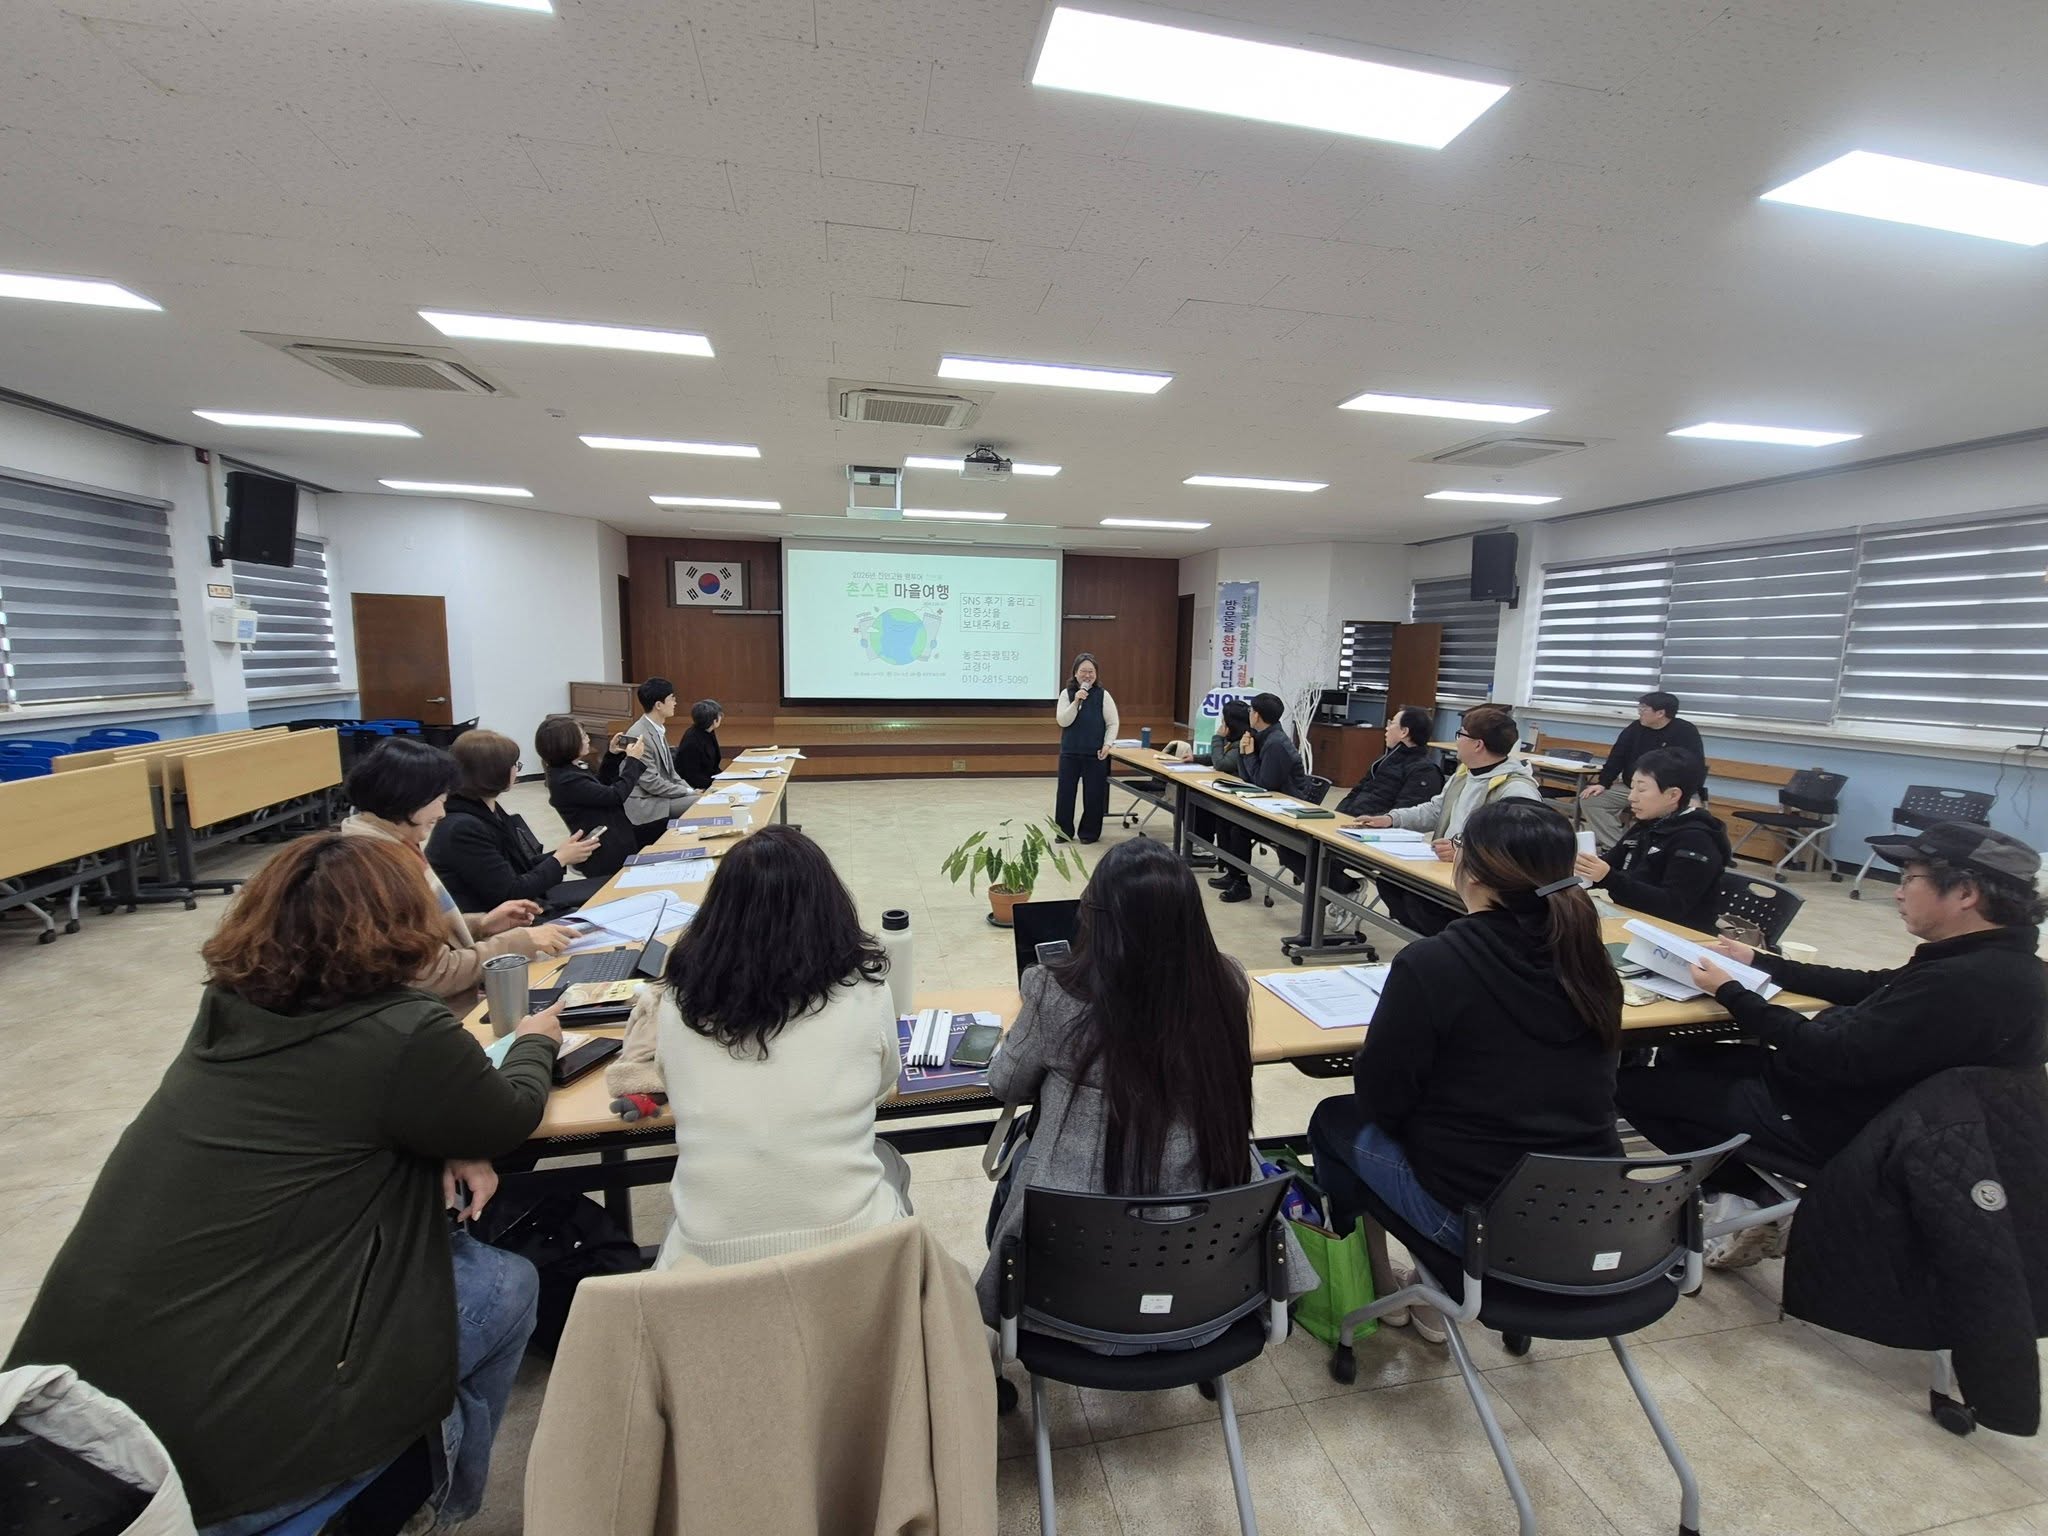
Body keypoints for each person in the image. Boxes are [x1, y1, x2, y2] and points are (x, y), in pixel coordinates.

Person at [3, 833, 564, 1533]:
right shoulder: (402, 1029)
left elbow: (337, 1114)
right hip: (212, 1471)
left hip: (59, 1436)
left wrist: (447, 1139)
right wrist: (537, 1039)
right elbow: (504, 1117)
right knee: (503, 1286)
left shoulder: (225, 1014)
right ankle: (429, 1504)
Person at [1618, 822, 2048, 1267]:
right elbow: (1871, 985)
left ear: (1965, 893)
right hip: (1849, 1098)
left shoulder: (1965, 982)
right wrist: (1760, 963)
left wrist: (1731, 992)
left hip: (1841, 1123)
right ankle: (1742, 1193)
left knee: (1629, 1088)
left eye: (1909, 880)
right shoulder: (1994, 961)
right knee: (1688, 1050)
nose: (1899, 893)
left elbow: (1827, 1052)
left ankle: (1755, 1196)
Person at [975, 837, 1313, 1347]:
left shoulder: (1052, 989)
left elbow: (1004, 1083)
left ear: (1094, 918)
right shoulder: (1226, 983)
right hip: (1206, 1293)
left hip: (1067, 1296)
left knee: (1016, 1171)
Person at [1308, 799, 1623, 1341]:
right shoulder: (1591, 961)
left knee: (1334, 1120)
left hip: (1483, 1226)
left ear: (1469, 871)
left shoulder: (1434, 962)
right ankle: (1424, 1291)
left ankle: (1381, 1280)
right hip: (1591, 1215)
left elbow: (1382, 1099)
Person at [643, 825, 910, 1267]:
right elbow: (883, 1084)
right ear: (829, 908)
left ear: (716, 915)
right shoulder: (866, 992)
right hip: (853, 1257)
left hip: (705, 1267)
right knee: (891, 1164)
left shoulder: (676, 1001)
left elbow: (673, 1085)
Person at [342, 737, 568, 1001]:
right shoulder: (378, 868)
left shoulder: (383, 844)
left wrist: (480, 924)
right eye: (439, 799)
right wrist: (518, 942)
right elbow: (432, 975)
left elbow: (417, 936)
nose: (441, 812)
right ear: (409, 799)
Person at [1354, 703, 1541, 936]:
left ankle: (1450, 944)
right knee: (1391, 883)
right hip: (1443, 865)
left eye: (1460, 734)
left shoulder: (1515, 789)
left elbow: (1519, 844)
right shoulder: (1463, 774)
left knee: (1420, 903)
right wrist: (1391, 819)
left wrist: (1465, 851)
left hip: (1480, 879)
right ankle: (1431, 942)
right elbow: (1436, 810)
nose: (1457, 741)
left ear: (1478, 744)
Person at [427, 728, 605, 916]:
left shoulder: (487, 808)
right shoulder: (462, 828)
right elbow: (511, 892)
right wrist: (560, 859)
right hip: (499, 920)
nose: (516, 770)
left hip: (524, 905)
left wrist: (563, 853)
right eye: (514, 765)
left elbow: (518, 867)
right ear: (495, 772)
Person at [1573, 747, 1730, 931]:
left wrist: (1608, 877)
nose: (1632, 797)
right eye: (1632, 788)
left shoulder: (1696, 840)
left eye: (1642, 789)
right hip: (1636, 921)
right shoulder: (1647, 825)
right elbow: (1608, 864)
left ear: (1673, 795)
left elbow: (1672, 906)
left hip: (1678, 934)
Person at [1578, 691, 1707, 851]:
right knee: (1591, 799)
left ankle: (1664, 851)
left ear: (1660, 713)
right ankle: (1617, 848)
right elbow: (1617, 756)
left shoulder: (1685, 731)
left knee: (1692, 813)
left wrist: (1688, 793)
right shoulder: (1635, 728)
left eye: (1644, 708)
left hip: (1670, 791)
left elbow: (1695, 767)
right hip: (1632, 787)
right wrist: (1603, 783)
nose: (1639, 712)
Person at [536, 715, 647, 886]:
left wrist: (612, 755)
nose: (588, 739)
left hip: (616, 836)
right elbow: (615, 796)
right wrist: (633, 761)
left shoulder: (570, 769)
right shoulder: (566, 780)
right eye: (583, 736)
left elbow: (601, 787)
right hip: (605, 852)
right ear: (568, 744)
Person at [622, 677, 700, 845]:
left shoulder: (656, 728)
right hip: (646, 802)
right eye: (672, 698)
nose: (675, 703)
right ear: (658, 705)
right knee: (699, 803)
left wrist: (690, 789)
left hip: (658, 795)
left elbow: (671, 773)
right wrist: (688, 792)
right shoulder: (639, 734)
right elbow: (651, 783)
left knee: (700, 798)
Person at [1053, 652, 1120, 843]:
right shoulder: (1067, 694)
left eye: (1091, 672)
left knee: (1094, 795)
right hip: (1070, 753)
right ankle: (1063, 832)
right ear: (1075, 673)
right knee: (1065, 794)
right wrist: (1076, 701)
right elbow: (1063, 721)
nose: (1087, 675)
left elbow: (1112, 723)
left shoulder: (1103, 695)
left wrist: (1107, 744)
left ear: (1096, 674)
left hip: (1095, 754)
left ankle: (1089, 833)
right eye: (1083, 671)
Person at [1335, 705, 1446, 819]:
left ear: (1404, 732)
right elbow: (1356, 793)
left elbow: (1404, 816)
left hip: (1372, 827)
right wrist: (1338, 816)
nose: (1387, 728)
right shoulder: (1384, 760)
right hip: (1352, 821)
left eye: (1392, 723)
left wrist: (1364, 823)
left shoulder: (1424, 771)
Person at [1195, 698, 1255, 894]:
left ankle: (1238, 876)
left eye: (1224, 722)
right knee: (1217, 818)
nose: (1222, 725)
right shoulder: (1235, 741)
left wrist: (1217, 737)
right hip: (1228, 795)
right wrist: (1195, 758)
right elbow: (1218, 758)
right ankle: (1229, 870)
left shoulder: (1244, 742)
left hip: (1240, 798)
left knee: (1230, 825)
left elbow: (1221, 764)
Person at [675, 698, 725, 790]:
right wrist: (715, 784)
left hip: (710, 779)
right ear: (714, 720)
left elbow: (714, 765)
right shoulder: (692, 740)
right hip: (696, 786)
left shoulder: (709, 731)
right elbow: (691, 774)